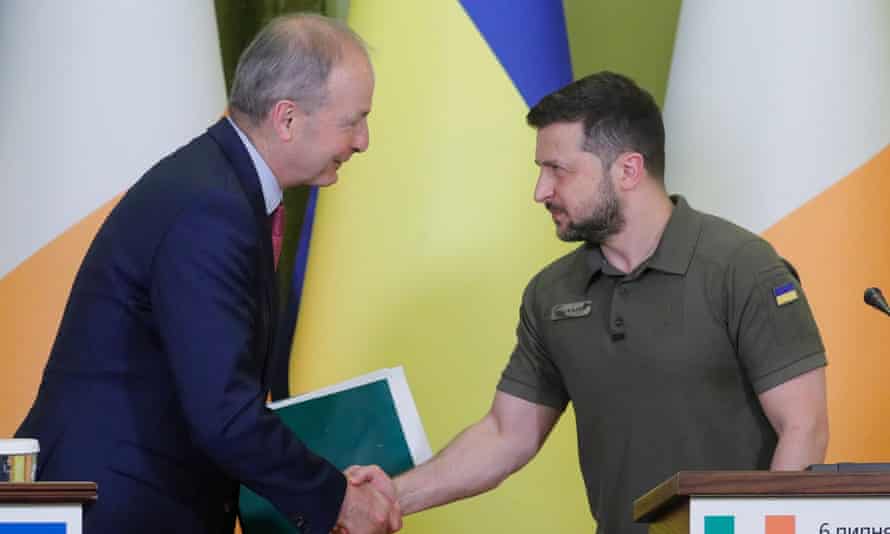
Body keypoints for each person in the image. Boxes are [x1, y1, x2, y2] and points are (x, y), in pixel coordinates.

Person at [350, 71, 829, 533]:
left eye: (557, 170)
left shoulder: (743, 268)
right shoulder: (551, 293)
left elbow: (803, 428)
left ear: (628, 169)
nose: (540, 191)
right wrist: (389, 498)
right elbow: (505, 434)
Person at [16, 14, 400, 534]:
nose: (363, 141)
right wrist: (336, 500)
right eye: (352, 120)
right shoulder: (210, 209)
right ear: (287, 119)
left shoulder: (218, 184)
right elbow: (224, 414)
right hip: (111, 507)